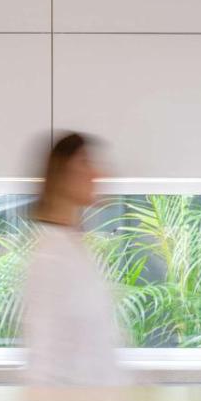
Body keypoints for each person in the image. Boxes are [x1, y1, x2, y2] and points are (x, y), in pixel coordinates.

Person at [21, 133, 131, 386]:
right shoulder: (51, 255)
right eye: (85, 162)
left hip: (93, 400)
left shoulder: (74, 246)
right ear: (61, 173)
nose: (97, 173)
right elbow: (45, 352)